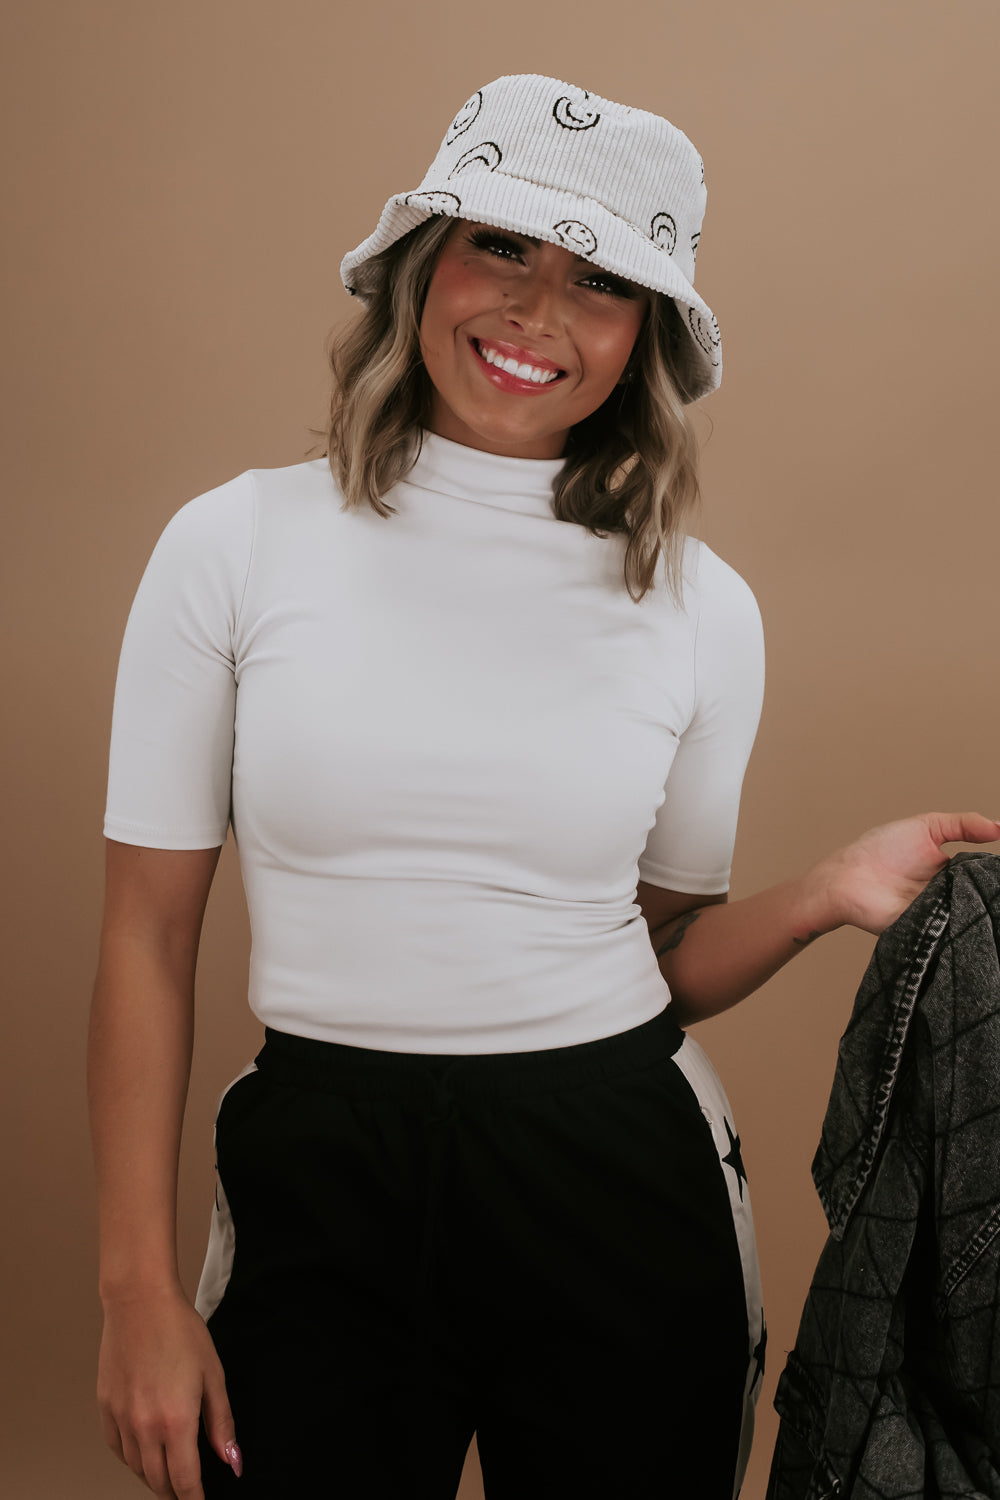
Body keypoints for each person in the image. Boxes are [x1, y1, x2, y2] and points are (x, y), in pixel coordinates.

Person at [87, 72, 1000, 1500]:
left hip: (620, 1178)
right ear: (425, 264)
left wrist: (825, 892)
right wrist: (136, 1290)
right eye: (500, 247)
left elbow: (666, 957)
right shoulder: (234, 545)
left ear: (644, 336)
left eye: (600, 280)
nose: (535, 313)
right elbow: (146, 939)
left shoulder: (701, 606)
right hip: (320, 1169)